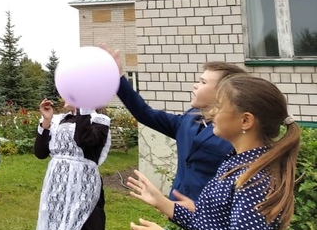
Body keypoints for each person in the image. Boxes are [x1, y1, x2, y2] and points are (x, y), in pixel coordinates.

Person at [129, 75, 301, 230]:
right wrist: (164, 204)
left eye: (218, 107)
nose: (211, 113)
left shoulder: (255, 181)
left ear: (245, 120)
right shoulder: (236, 163)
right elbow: (216, 229)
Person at [104, 45, 245, 201]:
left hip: (208, 213)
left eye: (203, 82)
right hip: (176, 208)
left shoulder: (234, 133)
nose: (195, 85)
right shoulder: (189, 119)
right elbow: (145, 114)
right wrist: (118, 79)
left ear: (223, 93)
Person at [34, 99, 111, 230]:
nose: (62, 98)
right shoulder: (59, 120)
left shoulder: (98, 121)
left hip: (86, 194)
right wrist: (46, 121)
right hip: (61, 193)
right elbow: (40, 152)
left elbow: (84, 140)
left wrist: (82, 108)